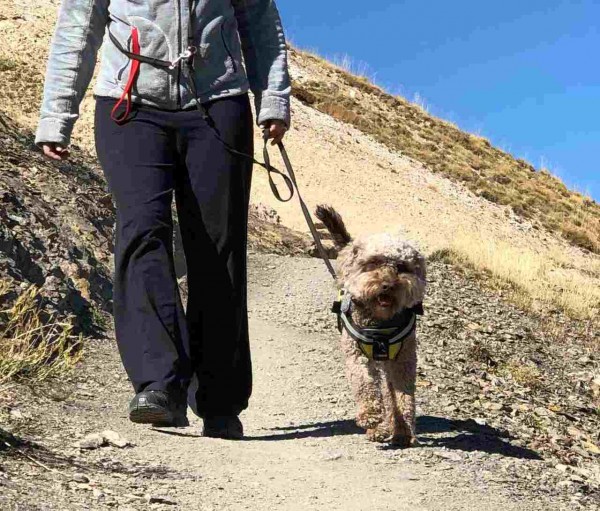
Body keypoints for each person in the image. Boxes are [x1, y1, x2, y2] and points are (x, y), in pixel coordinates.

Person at [35, 0, 291, 439]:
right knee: (141, 230)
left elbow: (260, 22)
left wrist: (273, 99)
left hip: (218, 101)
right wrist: (57, 115)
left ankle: (220, 397)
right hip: (129, 105)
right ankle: (159, 386)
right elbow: (78, 28)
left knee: (218, 243)